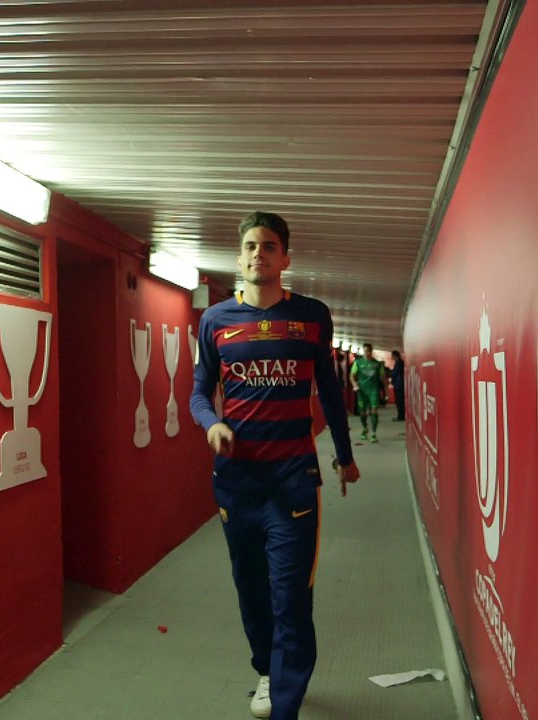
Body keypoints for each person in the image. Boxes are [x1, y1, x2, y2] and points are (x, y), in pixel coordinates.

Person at [191, 211, 361, 720]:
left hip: (293, 480)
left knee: (290, 595)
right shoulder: (215, 320)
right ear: (238, 257)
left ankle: (285, 704)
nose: (257, 254)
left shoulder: (311, 316)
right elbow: (199, 392)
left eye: (268, 246)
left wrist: (345, 456)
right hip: (237, 482)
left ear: (285, 258)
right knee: (251, 588)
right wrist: (211, 425)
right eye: (249, 246)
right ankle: (267, 670)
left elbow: (329, 390)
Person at [350, 343, 385, 442]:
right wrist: (354, 385)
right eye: (365, 351)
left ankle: (373, 433)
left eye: (368, 351)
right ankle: (365, 428)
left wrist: (386, 393)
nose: (366, 353)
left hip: (373, 390)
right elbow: (351, 375)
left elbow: (383, 378)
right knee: (362, 412)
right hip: (362, 391)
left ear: (371, 351)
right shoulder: (358, 362)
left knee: (374, 410)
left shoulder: (377, 364)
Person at [390, 349, 406, 421]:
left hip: (399, 384)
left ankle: (400, 416)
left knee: (399, 401)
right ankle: (401, 415)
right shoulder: (400, 363)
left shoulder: (398, 363)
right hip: (400, 384)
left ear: (395, 356)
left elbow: (394, 373)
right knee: (400, 401)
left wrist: (390, 374)